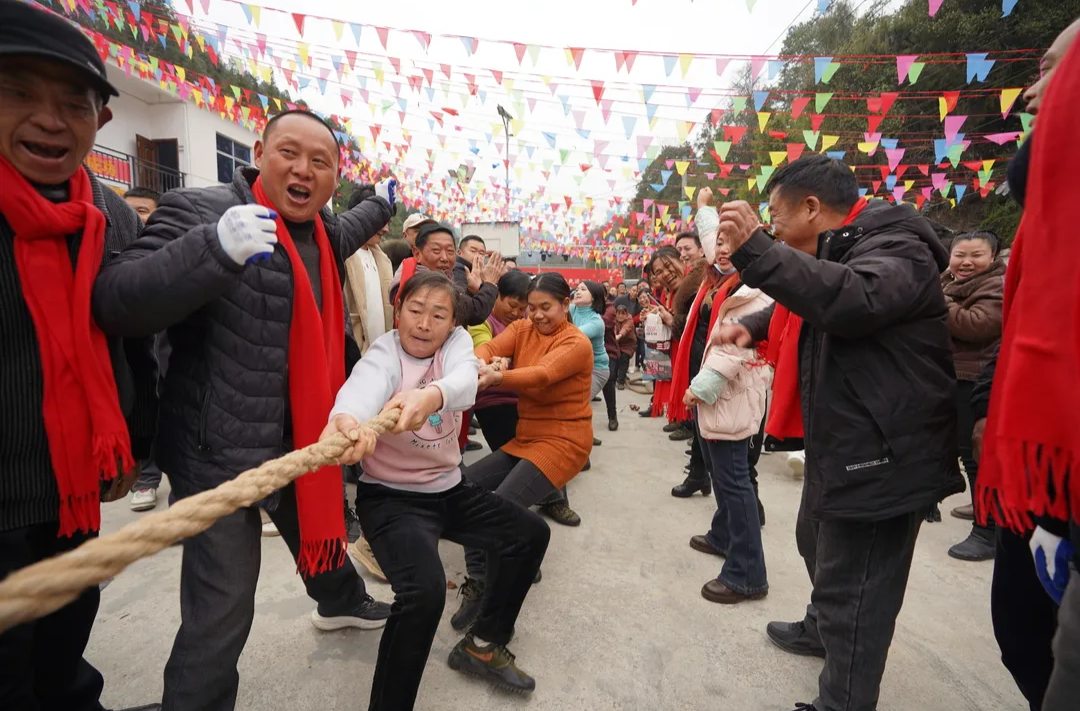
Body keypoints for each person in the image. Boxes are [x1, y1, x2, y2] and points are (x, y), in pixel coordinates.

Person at [91, 109, 396, 711]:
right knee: (223, 605)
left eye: (321, 162)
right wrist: (215, 250)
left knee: (319, 528)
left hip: (304, 439)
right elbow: (117, 302)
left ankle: (338, 601)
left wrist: (383, 203)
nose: (303, 170)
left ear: (335, 176)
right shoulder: (204, 213)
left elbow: (357, 219)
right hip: (218, 451)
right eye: (289, 152)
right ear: (258, 152)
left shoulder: (324, 232)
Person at [714, 155, 964, 711]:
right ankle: (819, 627)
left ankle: (842, 698)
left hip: (884, 450)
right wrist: (752, 325)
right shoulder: (840, 249)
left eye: (776, 218)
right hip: (844, 443)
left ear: (811, 208)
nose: (773, 229)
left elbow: (853, 299)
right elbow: (809, 304)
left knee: (856, 592)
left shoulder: (898, 246)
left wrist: (756, 249)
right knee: (815, 542)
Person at [0, 3, 158, 710]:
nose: (50, 119)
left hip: (72, 489)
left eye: (74, 103)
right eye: (19, 93)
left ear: (99, 120)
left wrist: (135, 443)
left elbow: (134, 342)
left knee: (65, 641)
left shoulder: (112, 217)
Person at [322, 270, 549, 709]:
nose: (424, 324)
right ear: (398, 311)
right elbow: (360, 390)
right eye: (415, 310)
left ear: (451, 324)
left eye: (438, 315)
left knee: (529, 535)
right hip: (391, 499)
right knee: (423, 595)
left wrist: (429, 398)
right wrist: (346, 421)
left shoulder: (457, 347)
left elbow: (465, 382)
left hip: (449, 490)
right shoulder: (383, 353)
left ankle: (484, 643)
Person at [976, 19, 1080, 711]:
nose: (1032, 92)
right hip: (1039, 456)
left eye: (1053, 69)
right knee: (1024, 629)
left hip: (1055, 461)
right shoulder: (1045, 234)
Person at [451, 273, 594, 631]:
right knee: (465, 488)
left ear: (565, 304)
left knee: (501, 506)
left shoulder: (576, 343)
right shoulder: (523, 329)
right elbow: (487, 347)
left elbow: (543, 375)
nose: (538, 315)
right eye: (532, 307)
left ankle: (500, 591)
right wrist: (478, 363)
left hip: (564, 441)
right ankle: (480, 578)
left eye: (546, 307)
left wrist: (499, 377)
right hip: (526, 437)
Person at [681, 189, 773, 605]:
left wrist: (703, 386)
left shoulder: (752, 286)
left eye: (730, 244)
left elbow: (734, 347)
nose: (720, 249)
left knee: (736, 484)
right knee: (723, 476)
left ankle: (747, 573)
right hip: (717, 398)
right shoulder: (724, 276)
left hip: (729, 394)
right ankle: (722, 535)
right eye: (717, 242)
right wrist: (704, 209)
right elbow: (709, 237)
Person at [939, 231, 1005, 561]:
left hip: (977, 380)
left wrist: (939, 302)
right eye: (959, 255)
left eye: (976, 255)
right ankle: (981, 508)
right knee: (965, 455)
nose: (966, 262)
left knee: (978, 455)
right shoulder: (946, 281)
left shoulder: (998, 285)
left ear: (992, 258)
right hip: (953, 376)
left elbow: (976, 325)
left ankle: (988, 530)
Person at [121, 185, 169, 513]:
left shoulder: (172, 253)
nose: (134, 218)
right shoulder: (115, 252)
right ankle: (147, 477)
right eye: (129, 210)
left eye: (142, 210)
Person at [389, 222, 502, 327]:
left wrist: (471, 291)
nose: (444, 258)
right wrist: (490, 284)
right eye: (436, 250)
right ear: (417, 253)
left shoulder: (444, 277)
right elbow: (473, 313)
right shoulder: (423, 282)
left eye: (449, 251)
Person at [468, 270, 531, 452]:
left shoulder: (525, 320)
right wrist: (502, 361)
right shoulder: (482, 321)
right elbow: (486, 350)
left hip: (522, 398)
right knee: (514, 456)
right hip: (493, 401)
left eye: (522, 308)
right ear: (497, 296)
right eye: (512, 305)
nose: (516, 313)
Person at [612, 297, 636, 388]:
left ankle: (621, 382)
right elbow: (613, 329)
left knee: (624, 359)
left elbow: (626, 328)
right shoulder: (614, 320)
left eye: (623, 314)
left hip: (628, 345)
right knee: (615, 361)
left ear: (626, 314)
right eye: (618, 313)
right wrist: (614, 336)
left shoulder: (629, 320)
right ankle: (617, 378)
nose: (620, 316)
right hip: (617, 344)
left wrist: (619, 336)